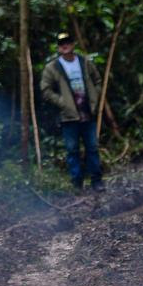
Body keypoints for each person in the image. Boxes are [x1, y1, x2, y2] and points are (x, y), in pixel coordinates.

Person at [40, 32, 104, 191]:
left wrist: (94, 98)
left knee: (92, 148)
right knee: (72, 150)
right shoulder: (52, 67)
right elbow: (46, 90)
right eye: (62, 43)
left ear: (73, 44)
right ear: (58, 47)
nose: (65, 45)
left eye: (67, 42)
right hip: (68, 117)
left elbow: (98, 80)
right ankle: (77, 184)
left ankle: (97, 181)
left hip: (87, 113)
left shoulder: (84, 62)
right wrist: (63, 103)